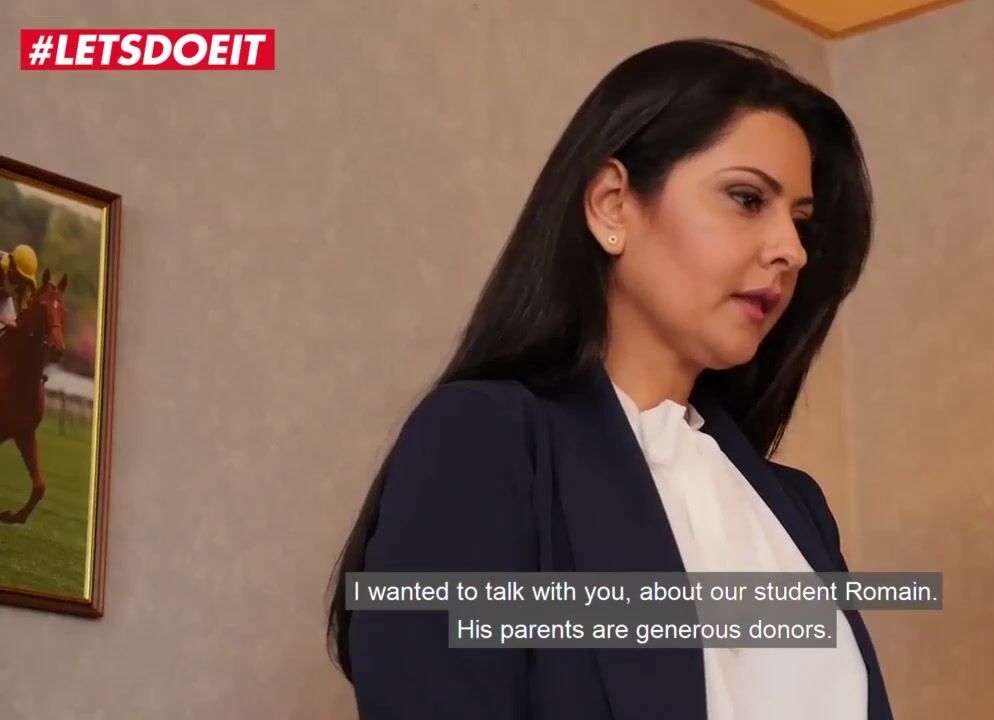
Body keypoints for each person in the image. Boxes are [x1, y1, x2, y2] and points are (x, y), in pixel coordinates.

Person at [327, 38, 892, 720]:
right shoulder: (485, 441)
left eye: (801, 223)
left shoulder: (797, 508)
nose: (791, 251)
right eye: (747, 198)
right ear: (612, 204)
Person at [0, 244, 39, 331]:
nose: (21, 283)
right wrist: (4, 319)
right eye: (20, 277)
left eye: (25, 280)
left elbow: (24, 310)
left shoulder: (24, 284)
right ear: (11, 269)